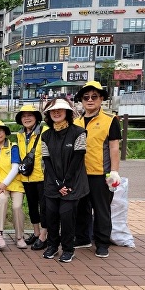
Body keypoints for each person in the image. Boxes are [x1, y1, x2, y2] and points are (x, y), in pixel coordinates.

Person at [73, 81, 121, 258]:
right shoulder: (76, 122)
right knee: (80, 208)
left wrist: (114, 172)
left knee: (101, 210)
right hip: (80, 174)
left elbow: (114, 148)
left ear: (101, 98)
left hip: (101, 174)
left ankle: (102, 243)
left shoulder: (110, 121)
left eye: (94, 96)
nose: (90, 100)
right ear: (81, 100)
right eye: (86, 97)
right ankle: (82, 238)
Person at [41, 98, 89, 263]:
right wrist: (57, 183)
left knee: (66, 215)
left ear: (68, 113)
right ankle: (52, 246)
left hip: (73, 182)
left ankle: (68, 249)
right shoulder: (46, 135)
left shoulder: (79, 132)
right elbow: (46, 160)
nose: (56, 112)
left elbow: (78, 159)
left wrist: (66, 183)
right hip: (52, 182)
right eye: (53, 110)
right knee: (51, 215)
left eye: (60, 110)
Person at [0, 119, 26, 250]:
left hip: (14, 183)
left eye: (0, 131)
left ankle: (19, 236)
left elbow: (15, 167)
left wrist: (5, 183)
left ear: (5, 133)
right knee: (2, 199)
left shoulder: (13, 146)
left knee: (17, 206)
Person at [15, 105, 49, 250]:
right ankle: (35, 232)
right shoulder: (20, 135)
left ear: (36, 117)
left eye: (30, 115)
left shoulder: (45, 132)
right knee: (32, 207)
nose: (27, 118)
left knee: (45, 208)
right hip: (26, 177)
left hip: (42, 176)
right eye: (24, 116)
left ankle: (43, 235)